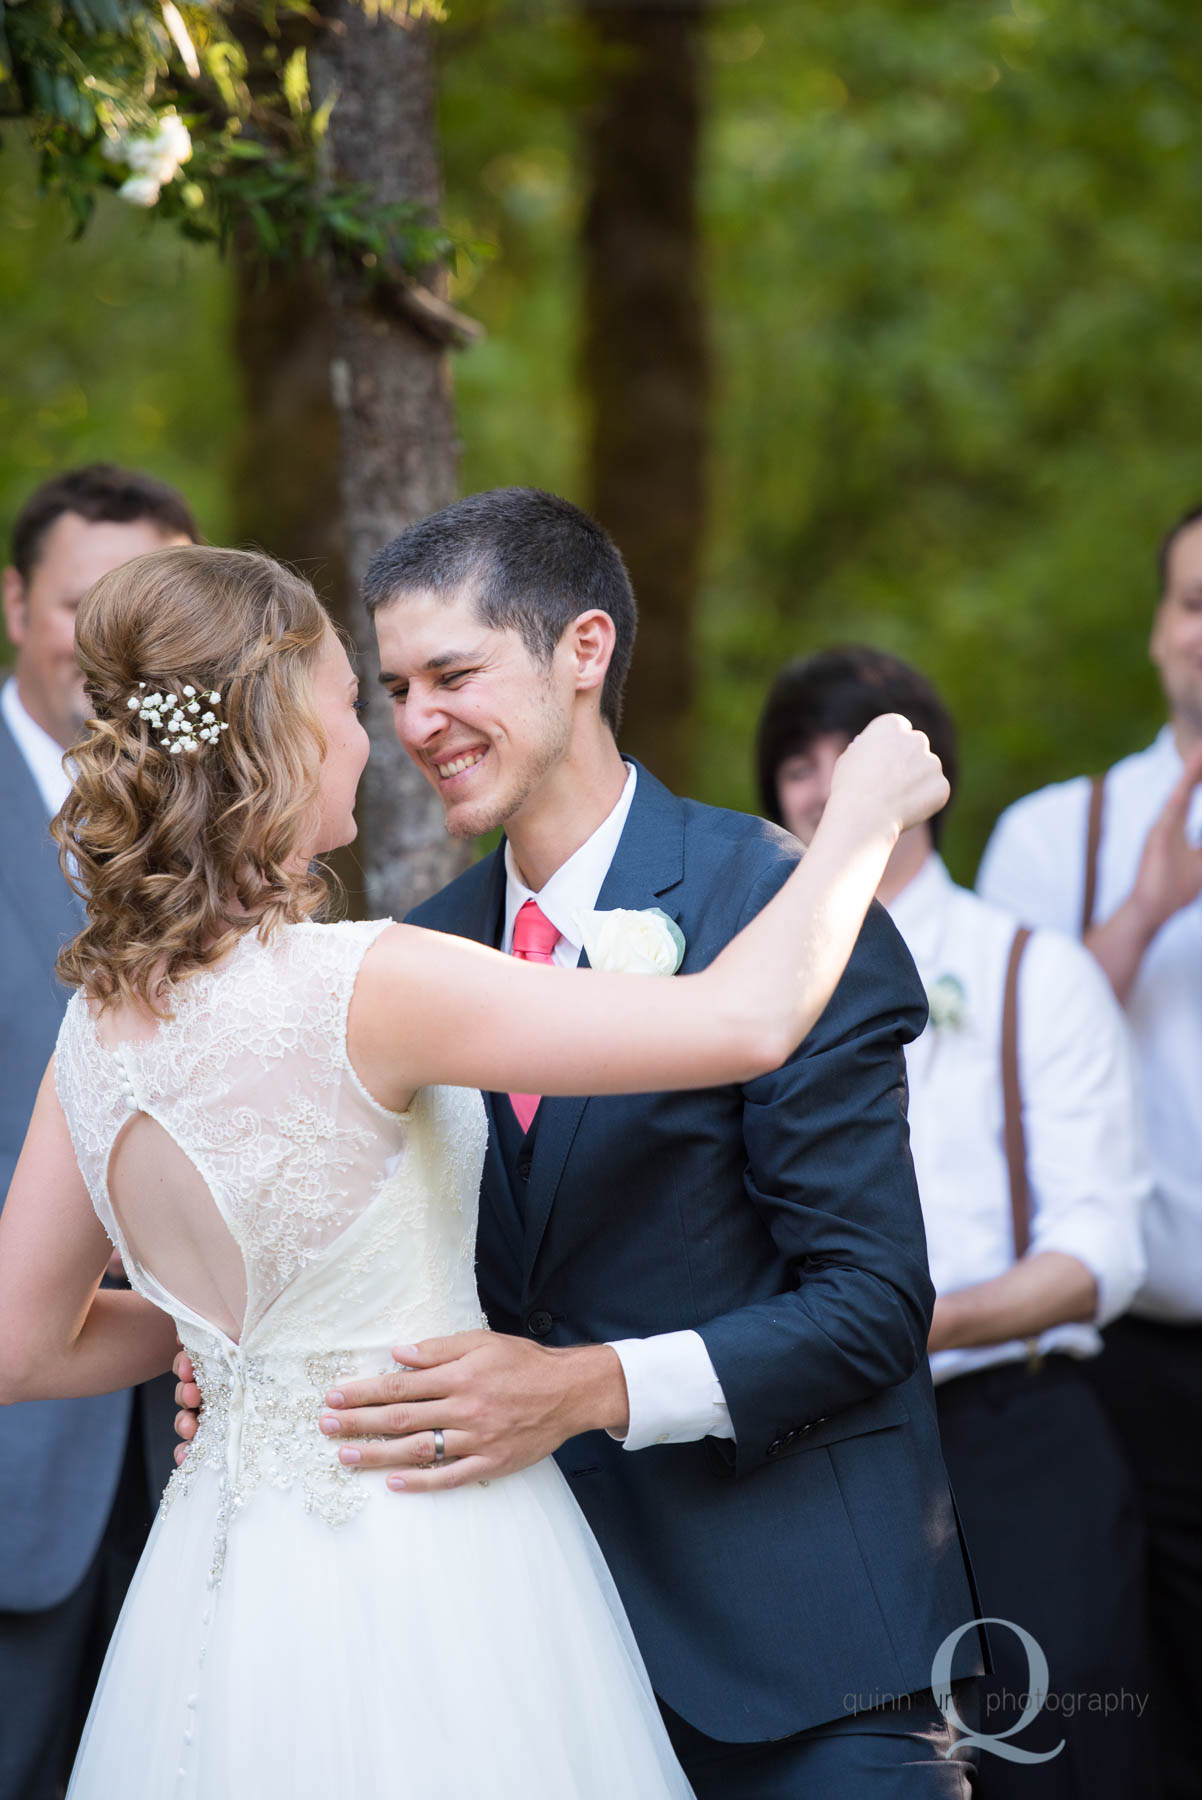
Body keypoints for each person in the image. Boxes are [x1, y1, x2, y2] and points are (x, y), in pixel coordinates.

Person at [0, 542, 949, 1799]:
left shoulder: (100, 1025)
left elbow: (21, 1348)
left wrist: (244, 1349)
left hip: (236, 1596)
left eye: (429, 680)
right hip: (438, 1577)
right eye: (359, 696)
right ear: (282, 729)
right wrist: (862, 821)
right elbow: (741, 1021)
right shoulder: (375, 974)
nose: (383, 734)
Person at [756, 644, 1152, 1796]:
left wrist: (888, 1327)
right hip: (817, 1457)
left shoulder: (1034, 971)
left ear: (930, 769)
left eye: (857, 749)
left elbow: (1099, 1256)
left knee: (1061, 1750)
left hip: (1013, 1433)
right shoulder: (741, 985)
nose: (827, 784)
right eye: (795, 762)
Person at [977, 504, 1202, 1800]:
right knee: (1136, 1713)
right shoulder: (1051, 835)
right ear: (1157, 628)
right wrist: (1142, 912)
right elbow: (991, 1087)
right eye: (1189, 603)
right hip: (1122, 1366)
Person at [0, 465, 197, 1800]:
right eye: (85, 605)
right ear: (17, 603)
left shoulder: (218, 830)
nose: (114, 645)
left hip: (195, 1459)